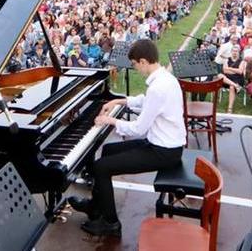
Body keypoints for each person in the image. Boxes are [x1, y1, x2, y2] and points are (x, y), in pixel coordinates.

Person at [67, 39, 185, 237]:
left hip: (164, 151)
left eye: (135, 64)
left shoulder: (158, 87)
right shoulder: (164, 77)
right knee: (107, 151)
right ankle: (96, 207)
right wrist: (117, 100)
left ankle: (111, 223)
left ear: (143, 61)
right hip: (164, 144)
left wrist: (108, 120)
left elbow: (138, 128)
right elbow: (145, 102)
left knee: (101, 167)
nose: (135, 68)